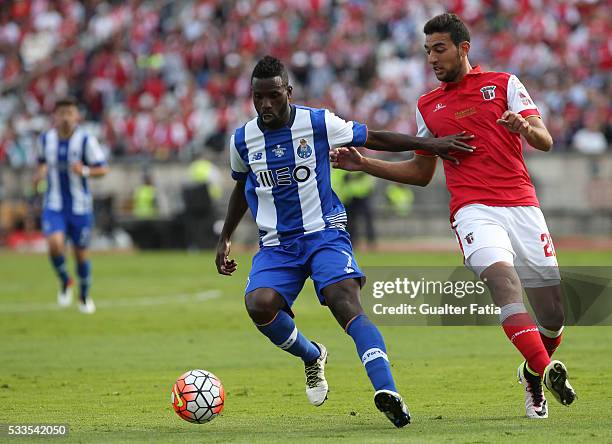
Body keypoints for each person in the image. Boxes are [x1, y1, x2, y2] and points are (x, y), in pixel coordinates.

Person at [331, 13, 576, 419]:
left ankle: (533, 372)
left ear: (463, 48)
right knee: (503, 283)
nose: (431, 57)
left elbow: (545, 140)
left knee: (553, 317)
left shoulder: (503, 84)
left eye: (439, 48)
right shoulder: (428, 106)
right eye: (427, 50)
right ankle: (548, 370)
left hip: (523, 207)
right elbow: (421, 172)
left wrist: (523, 128)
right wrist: (366, 164)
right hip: (473, 211)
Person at [215, 55, 474, 428]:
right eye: (258, 97)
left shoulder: (318, 122)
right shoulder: (241, 140)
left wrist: (433, 145)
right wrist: (225, 237)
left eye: (273, 96)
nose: (265, 105)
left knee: (344, 301)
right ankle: (312, 355)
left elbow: (376, 137)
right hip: (276, 245)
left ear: (288, 91)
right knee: (259, 305)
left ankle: (388, 391)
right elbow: (242, 186)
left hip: (324, 233)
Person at [35, 97, 108, 314]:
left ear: (77, 115)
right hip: (54, 204)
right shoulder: (45, 140)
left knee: (80, 255)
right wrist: (39, 173)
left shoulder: (86, 140)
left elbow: (103, 169)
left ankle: (84, 296)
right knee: (55, 245)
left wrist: (84, 170)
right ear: (55, 116)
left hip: (80, 208)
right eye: (62, 113)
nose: (66, 118)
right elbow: (41, 163)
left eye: (70, 113)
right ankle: (66, 281)